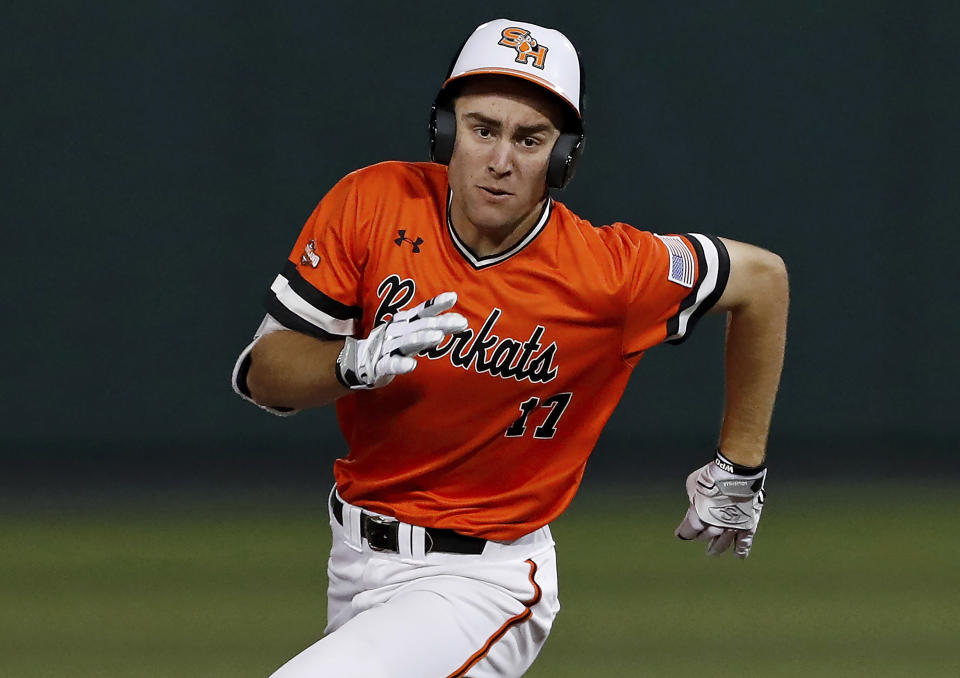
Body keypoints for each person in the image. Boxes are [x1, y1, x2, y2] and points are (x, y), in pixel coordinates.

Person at [231, 18, 788, 678]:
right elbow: (265, 373)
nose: (501, 159)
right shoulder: (373, 203)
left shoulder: (608, 272)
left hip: (481, 584)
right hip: (353, 556)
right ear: (445, 132)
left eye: (530, 139)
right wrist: (347, 363)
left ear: (563, 159)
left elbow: (762, 279)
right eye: (482, 128)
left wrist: (741, 463)